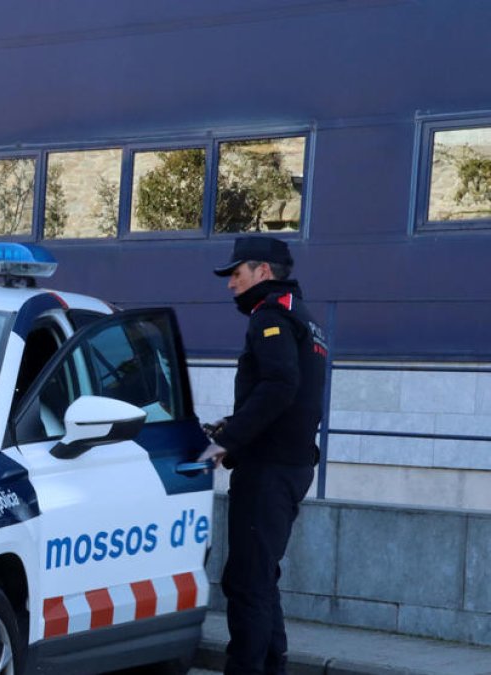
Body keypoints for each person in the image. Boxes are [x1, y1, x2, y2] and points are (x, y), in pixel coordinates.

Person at [197, 236, 328, 675]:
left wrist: (227, 440)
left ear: (263, 272)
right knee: (260, 577)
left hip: (269, 471)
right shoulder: (303, 317)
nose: (231, 283)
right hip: (289, 465)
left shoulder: (270, 317)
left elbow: (279, 385)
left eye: (237, 273)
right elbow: (284, 395)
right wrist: (231, 429)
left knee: (248, 583)